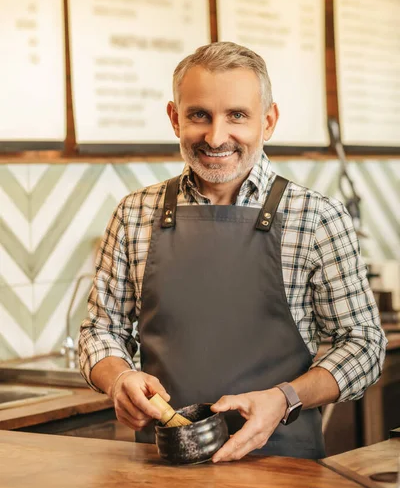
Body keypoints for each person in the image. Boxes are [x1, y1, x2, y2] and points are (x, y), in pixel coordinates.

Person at [79, 41, 386, 461]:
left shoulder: (316, 216)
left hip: (283, 466)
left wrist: (285, 398)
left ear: (269, 121)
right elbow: (100, 330)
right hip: (161, 466)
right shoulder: (135, 213)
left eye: (237, 116)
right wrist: (119, 379)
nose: (216, 136)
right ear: (175, 118)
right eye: (199, 115)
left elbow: (364, 345)